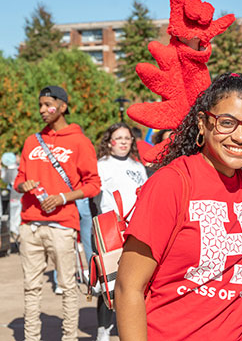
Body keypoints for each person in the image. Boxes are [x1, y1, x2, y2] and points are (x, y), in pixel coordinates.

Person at [115, 73, 242, 341]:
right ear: (202, 123)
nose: (240, 136)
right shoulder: (172, 183)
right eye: (227, 123)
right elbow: (129, 288)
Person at [14, 85, 101, 341]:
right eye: (40, 105)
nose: (42, 110)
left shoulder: (79, 142)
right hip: (29, 225)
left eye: (48, 104)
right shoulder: (32, 141)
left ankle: (68, 337)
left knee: (67, 286)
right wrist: (22, 185)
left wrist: (63, 197)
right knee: (31, 288)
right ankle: (31, 338)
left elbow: (93, 184)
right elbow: (19, 177)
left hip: (62, 226)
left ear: (62, 106)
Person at [95, 122, 148, 341]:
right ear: (109, 142)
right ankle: (103, 328)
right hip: (111, 231)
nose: (124, 142)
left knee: (134, 280)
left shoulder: (138, 166)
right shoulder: (102, 165)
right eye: (119, 138)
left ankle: (128, 324)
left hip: (136, 229)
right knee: (109, 281)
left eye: (128, 138)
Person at [1, 152, 21, 241]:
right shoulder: (16, 169)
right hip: (17, 195)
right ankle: (15, 231)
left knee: (13, 215)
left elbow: (5, 179)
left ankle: (15, 231)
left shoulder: (9, 170)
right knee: (16, 215)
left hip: (14, 195)